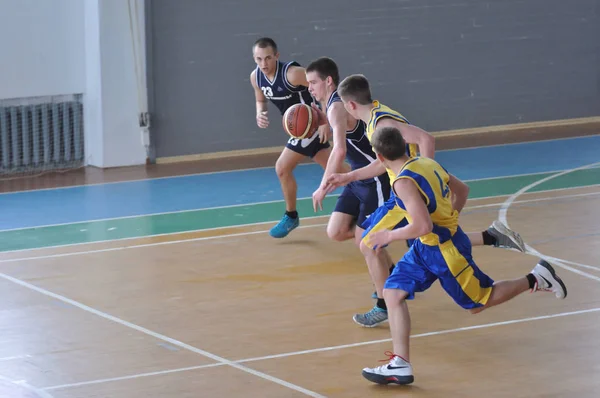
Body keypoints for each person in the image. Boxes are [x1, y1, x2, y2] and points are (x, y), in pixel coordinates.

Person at [360, 125, 568, 385]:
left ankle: (536, 278)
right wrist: (450, 220)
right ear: (404, 145)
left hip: (446, 252)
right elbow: (463, 191)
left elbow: (422, 225)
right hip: (426, 248)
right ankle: (400, 364)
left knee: (479, 303)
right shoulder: (426, 162)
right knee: (392, 293)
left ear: (380, 158)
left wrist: (388, 236)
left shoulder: (403, 182)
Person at [326, 74, 527, 326]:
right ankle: (493, 236)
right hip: (403, 192)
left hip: (409, 191)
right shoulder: (374, 117)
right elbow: (382, 163)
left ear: (351, 105)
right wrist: (349, 177)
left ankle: (384, 305)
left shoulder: (381, 123)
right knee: (427, 238)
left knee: (383, 242)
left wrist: (422, 173)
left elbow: (425, 139)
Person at [305, 56, 398, 314]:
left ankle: (384, 304)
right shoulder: (331, 106)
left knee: (365, 240)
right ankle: (389, 269)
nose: (309, 88)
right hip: (358, 177)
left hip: (376, 179)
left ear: (329, 81)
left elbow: (338, 151)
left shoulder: (336, 107)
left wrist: (323, 186)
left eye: (313, 82)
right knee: (336, 232)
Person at [250, 37, 335, 238]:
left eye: (268, 58)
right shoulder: (256, 77)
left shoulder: (292, 73)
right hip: (300, 128)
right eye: (259, 59)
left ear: (277, 56)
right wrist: (260, 113)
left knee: (282, 167)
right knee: (335, 170)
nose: (264, 64)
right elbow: (260, 99)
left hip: (310, 124)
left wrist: (324, 120)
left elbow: (324, 88)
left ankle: (291, 215)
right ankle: (372, 187)